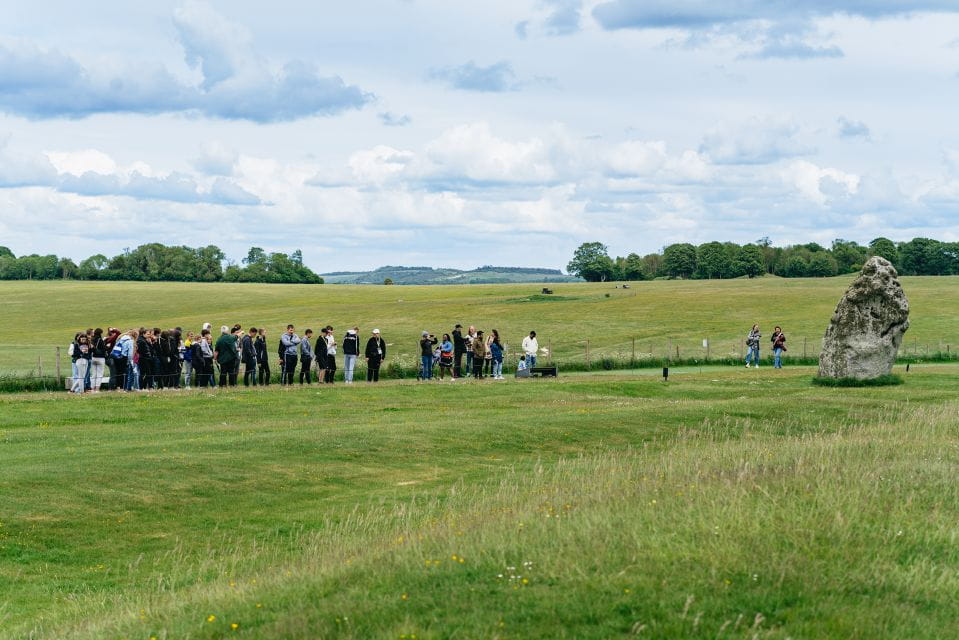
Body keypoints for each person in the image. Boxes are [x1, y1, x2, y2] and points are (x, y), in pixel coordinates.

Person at [90, 328, 107, 392]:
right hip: (100, 358)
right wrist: (107, 346)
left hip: (93, 357)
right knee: (99, 374)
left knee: (94, 374)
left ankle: (92, 388)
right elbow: (103, 349)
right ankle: (97, 389)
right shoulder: (100, 340)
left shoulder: (92, 339)